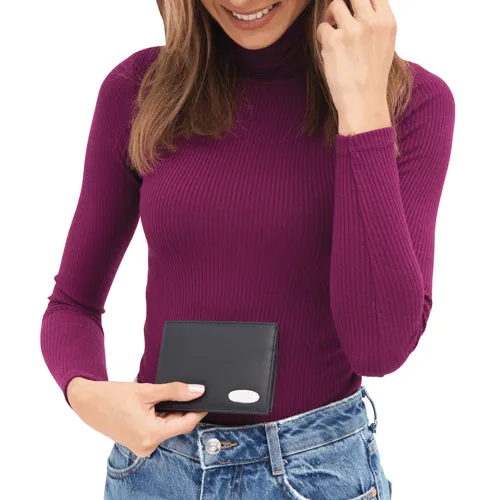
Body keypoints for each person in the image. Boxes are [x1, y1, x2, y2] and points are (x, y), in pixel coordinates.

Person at [40, 0, 455, 498]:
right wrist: (89, 396)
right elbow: (73, 304)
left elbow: (380, 347)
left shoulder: (411, 102)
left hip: (314, 477)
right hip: (155, 473)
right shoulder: (139, 90)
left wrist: (362, 108)